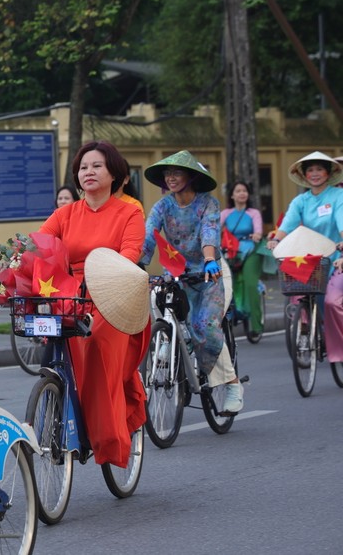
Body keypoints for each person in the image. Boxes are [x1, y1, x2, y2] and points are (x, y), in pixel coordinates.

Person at [39, 141, 150, 466]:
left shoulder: (129, 212)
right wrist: (14, 260)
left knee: (98, 341)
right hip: (72, 296)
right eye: (84, 167)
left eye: (97, 166)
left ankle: (106, 437)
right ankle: (63, 420)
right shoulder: (65, 213)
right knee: (52, 344)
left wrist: (104, 273)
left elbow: (130, 255)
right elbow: (39, 244)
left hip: (114, 295)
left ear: (114, 173)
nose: (88, 171)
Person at [141, 150, 244, 413]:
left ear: (191, 176)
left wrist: (210, 259)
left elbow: (210, 232)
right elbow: (148, 238)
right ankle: (170, 345)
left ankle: (231, 383)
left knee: (205, 327)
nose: (171, 177)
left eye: (176, 172)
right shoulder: (162, 206)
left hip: (210, 273)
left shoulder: (207, 203)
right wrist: (137, 265)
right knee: (157, 300)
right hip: (177, 275)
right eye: (167, 173)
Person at [266, 151, 343, 364]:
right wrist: (276, 240)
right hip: (310, 261)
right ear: (304, 175)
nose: (315, 174)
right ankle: (305, 331)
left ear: (328, 173)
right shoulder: (301, 200)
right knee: (296, 294)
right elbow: (287, 224)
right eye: (310, 170)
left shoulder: (338, 197)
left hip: (336, 259)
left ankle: (339, 346)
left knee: (331, 302)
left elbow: (341, 221)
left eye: (319, 169)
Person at [221, 181, 264, 333]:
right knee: (225, 283)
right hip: (230, 251)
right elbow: (214, 229)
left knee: (250, 283)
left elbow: (258, 231)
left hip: (250, 250)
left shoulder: (253, 213)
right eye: (238, 191)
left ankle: (257, 325)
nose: (241, 193)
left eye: (244, 190)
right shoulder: (225, 213)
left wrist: (257, 235)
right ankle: (232, 313)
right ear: (232, 195)